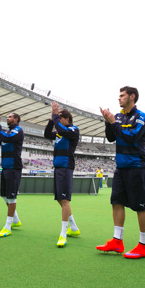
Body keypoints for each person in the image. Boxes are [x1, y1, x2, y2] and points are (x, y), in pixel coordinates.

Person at [96, 86, 145, 259]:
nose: (118, 98)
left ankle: (143, 245)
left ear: (132, 97)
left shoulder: (141, 116)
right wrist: (108, 121)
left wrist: (113, 123)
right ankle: (117, 241)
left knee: (140, 206)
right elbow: (111, 137)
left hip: (136, 166)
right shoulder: (118, 116)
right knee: (117, 202)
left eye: (122, 95)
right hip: (120, 167)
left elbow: (132, 137)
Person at [44, 102, 81, 248]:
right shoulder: (60, 130)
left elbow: (60, 128)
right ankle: (74, 228)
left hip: (66, 167)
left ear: (67, 119)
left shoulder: (73, 129)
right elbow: (47, 134)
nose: (58, 121)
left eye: (60, 118)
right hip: (58, 167)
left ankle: (63, 234)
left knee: (64, 200)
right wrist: (51, 119)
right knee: (60, 198)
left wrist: (55, 116)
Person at [0, 112, 24, 238]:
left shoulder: (18, 130)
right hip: (5, 167)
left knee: (11, 197)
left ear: (16, 119)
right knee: (4, 196)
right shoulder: (6, 132)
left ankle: (7, 226)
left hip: (14, 168)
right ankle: (15, 220)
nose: (7, 118)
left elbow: (7, 138)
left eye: (10, 117)